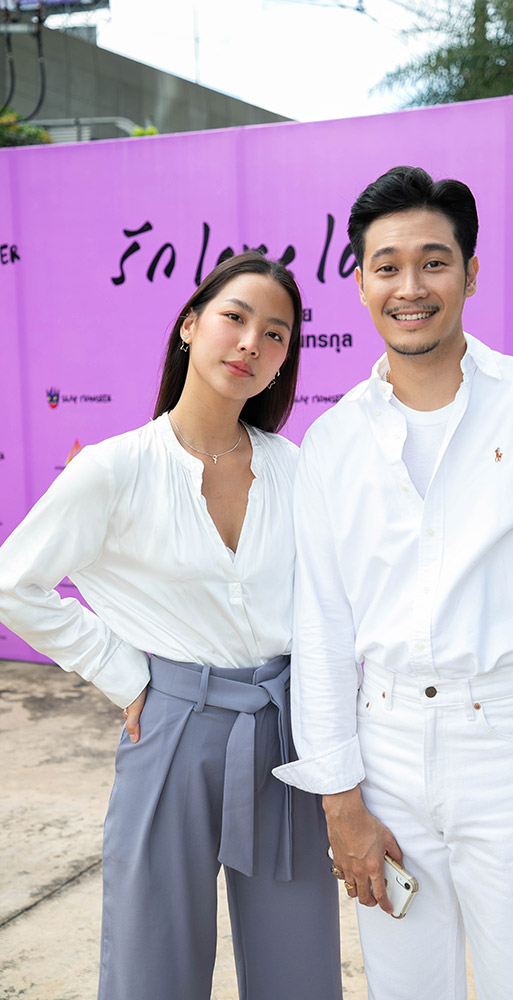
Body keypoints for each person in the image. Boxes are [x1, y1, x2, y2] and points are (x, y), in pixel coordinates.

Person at [274, 167, 513, 1000]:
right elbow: (321, 629)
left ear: (471, 272)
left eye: (434, 262)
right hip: (381, 752)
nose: (410, 288)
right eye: (386, 267)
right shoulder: (333, 440)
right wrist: (339, 800)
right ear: (360, 283)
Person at [0, 252, 343, 1000]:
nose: (252, 343)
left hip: (286, 731)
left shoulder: (298, 469)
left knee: (300, 965)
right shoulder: (115, 468)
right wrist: (124, 674)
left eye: (276, 333)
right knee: (151, 963)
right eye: (235, 318)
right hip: (171, 727)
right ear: (189, 326)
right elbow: (13, 583)